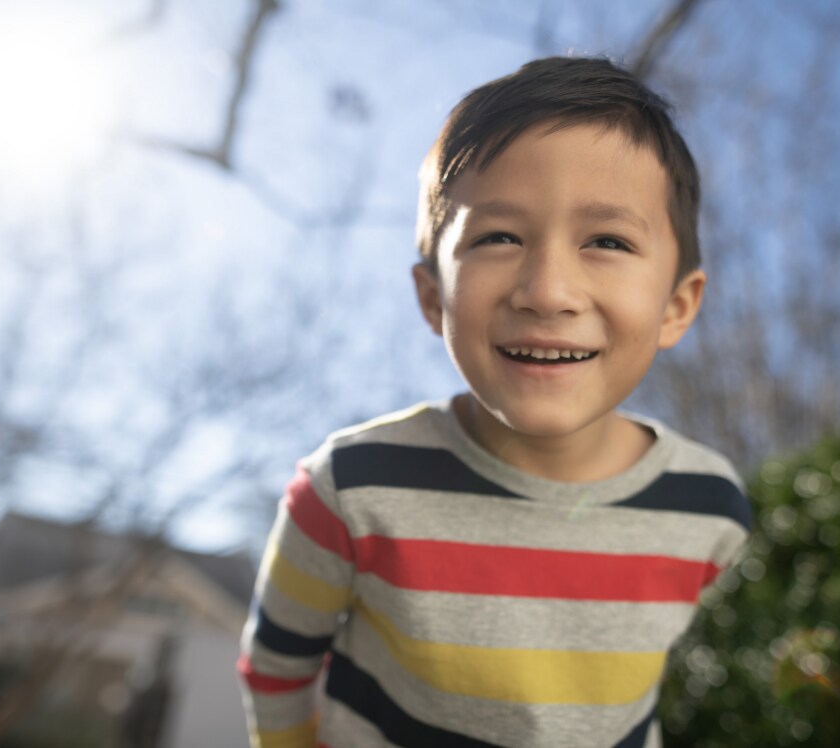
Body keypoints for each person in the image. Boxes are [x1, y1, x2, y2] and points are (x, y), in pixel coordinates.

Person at [236, 56, 752, 748]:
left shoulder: (710, 508)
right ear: (431, 298)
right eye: (498, 238)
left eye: (607, 241)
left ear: (676, 306)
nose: (547, 290)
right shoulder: (350, 488)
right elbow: (276, 670)